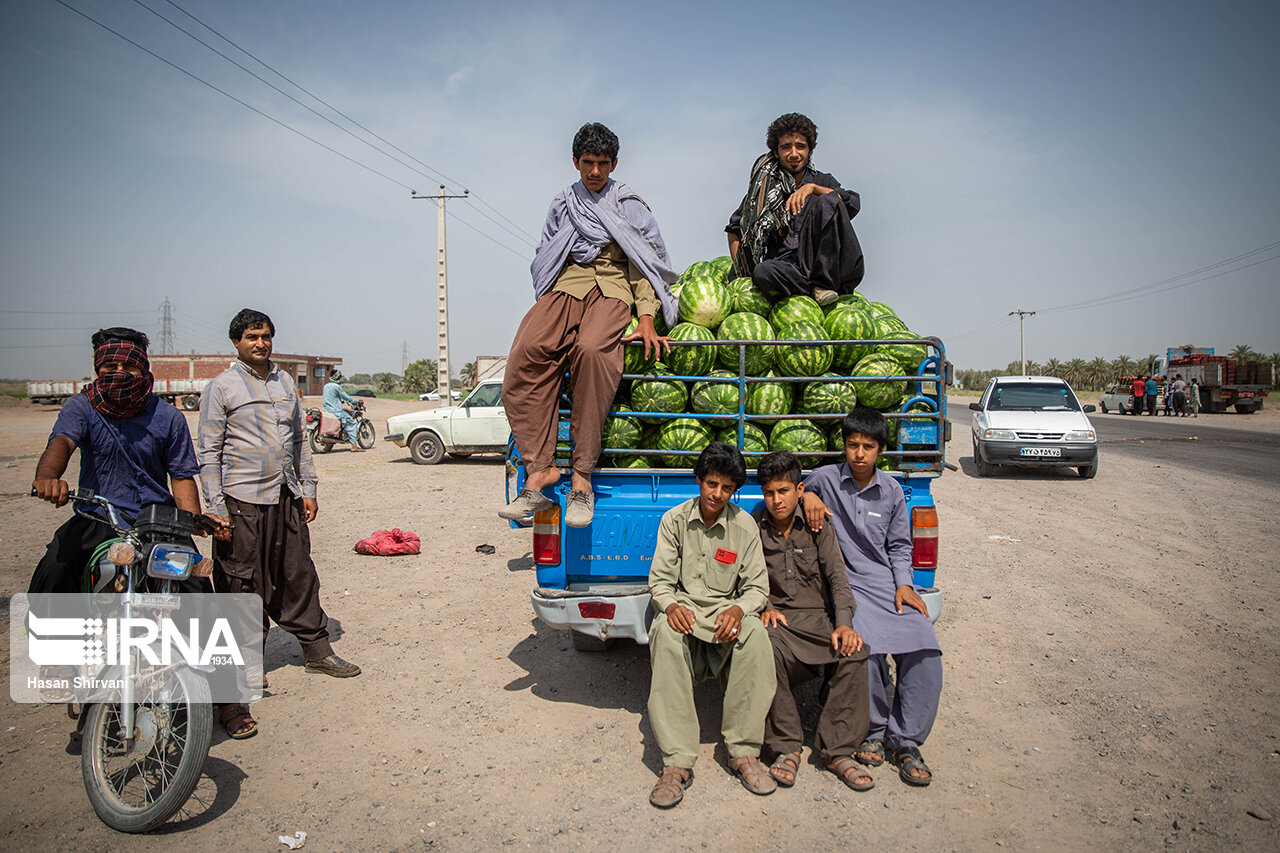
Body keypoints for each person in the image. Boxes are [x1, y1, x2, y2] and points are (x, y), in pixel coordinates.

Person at [499, 122, 677, 529]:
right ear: (575, 162)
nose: (594, 171)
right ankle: (540, 470)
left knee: (594, 351)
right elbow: (549, 252)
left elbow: (645, 263)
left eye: (602, 163)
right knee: (525, 355)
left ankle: (582, 477)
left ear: (614, 163)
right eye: (587, 163)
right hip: (567, 286)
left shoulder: (628, 203)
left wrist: (647, 316)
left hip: (614, 288)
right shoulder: (563, 203)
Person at [199, 309, 361, 739]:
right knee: (240, 582)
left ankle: (317, 651)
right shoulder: (221, 388)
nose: (261, 343)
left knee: (298, 574)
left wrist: (308, 487)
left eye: (266, 336)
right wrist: (215, 507)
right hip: (241, 500)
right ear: (236, 342)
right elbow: (208, 453)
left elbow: (298, 442)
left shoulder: (285, 383)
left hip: (285, 494)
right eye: (252, 336)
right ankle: (247, 665)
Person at [801, 407, 942, 788]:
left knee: (925, 647)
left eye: (868, 446)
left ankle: (906, 740)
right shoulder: (826, 478)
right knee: (866, 648)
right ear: (842, 446)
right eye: (852, 445)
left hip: (885, 583)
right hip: (847, 584)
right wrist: (809, 496)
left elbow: (899, 545)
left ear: (880, 449)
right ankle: (874, 732)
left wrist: (904, 584)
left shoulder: (893, 490)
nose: (859, 454)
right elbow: (803, 488)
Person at [646, 442, 777, 808]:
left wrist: (738, 611)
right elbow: (660, 582)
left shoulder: (744, 525)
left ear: (734, 490)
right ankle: (676, 762)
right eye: (711, 484)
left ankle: (743, 751)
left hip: (724, 617)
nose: (717, 494)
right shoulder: (674, 520)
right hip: (686, 613)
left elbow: (756, 587)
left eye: (727, 488)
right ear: (699, 481)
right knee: (665, 635)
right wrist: (670, 606)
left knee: (755, 637)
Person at [31, 327, 205, 594]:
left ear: (144, 368)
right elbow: (62, 441)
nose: (120, 372)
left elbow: (181, 475)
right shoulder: (82, 406)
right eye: (110, 365)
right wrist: (47, 478)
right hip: (99, 518)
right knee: (55, 570)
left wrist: (191, 521)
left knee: (197, 587)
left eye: (130, 365)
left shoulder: (169, 416)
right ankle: (40, 634)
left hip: (158, 520)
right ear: (98, 368)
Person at [753, 451, 874, 793]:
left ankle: (837, 750)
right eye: (769, 493)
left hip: (819, 622)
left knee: (856, 651)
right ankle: (786, 746)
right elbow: (745, 575)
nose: (776, 500)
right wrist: (762, 606)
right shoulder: (755, 524)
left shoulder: (819, 524)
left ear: (800, 489)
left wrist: (844, 622)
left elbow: (838, 577)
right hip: (780, 622)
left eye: (784, 491)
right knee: (765, 649)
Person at [726, 112, 864, 306]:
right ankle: (810, 294)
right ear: (776, 152)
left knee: (828, 199)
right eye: (786, 147)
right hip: (788, 272)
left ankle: (823, 286)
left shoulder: (822, 181)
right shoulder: (764, 191)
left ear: (810, 151)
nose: (794, 153)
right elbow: (734, 230)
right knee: (763, 271)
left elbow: (852, 203)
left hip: (829, 273)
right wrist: (743, 273)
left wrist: (813, 189)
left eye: (800, 146)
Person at [322, 368, 364, 452]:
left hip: (326, 410)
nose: (340, 378)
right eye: (340, 377)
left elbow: (331, 398)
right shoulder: (336, 387)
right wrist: (357, 401)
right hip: (336, 411)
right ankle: (354, 445)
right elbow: (347, 397)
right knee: (351, 424)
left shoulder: (326, 386)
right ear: (337, 377)